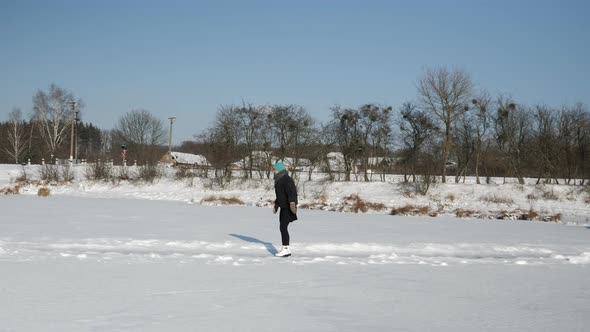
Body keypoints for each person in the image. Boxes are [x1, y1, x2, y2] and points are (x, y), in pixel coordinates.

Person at [272, 161, 298, 257]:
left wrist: (292, 203)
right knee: (282, 227)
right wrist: (276, 205)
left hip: (288, 207)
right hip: (283, 206)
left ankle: (286, 248)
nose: (273, 171)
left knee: (283, 227)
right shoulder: (279, 179)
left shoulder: (286, 179)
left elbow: (291, 192)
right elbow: (281, 195)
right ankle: (286, 248)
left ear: (279, 170)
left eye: (274, 169)